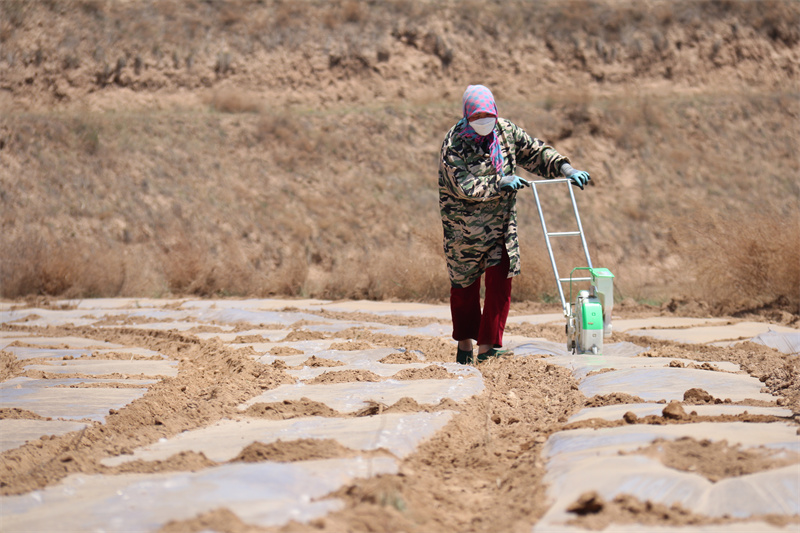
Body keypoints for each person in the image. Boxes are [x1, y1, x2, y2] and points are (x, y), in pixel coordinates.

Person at [438, 84, 591, 364]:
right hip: (464, 231)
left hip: (501, 226)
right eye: (476, 117)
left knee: (501, 282)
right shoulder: (454, 144)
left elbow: (535, 152)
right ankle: (465, 344)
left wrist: (566, 168)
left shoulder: (506, 132)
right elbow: (463, 186)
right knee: (464, 288)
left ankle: (489, 346)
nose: (483, 121)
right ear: (466, 115)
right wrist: (500, 182)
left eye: (488, 115)